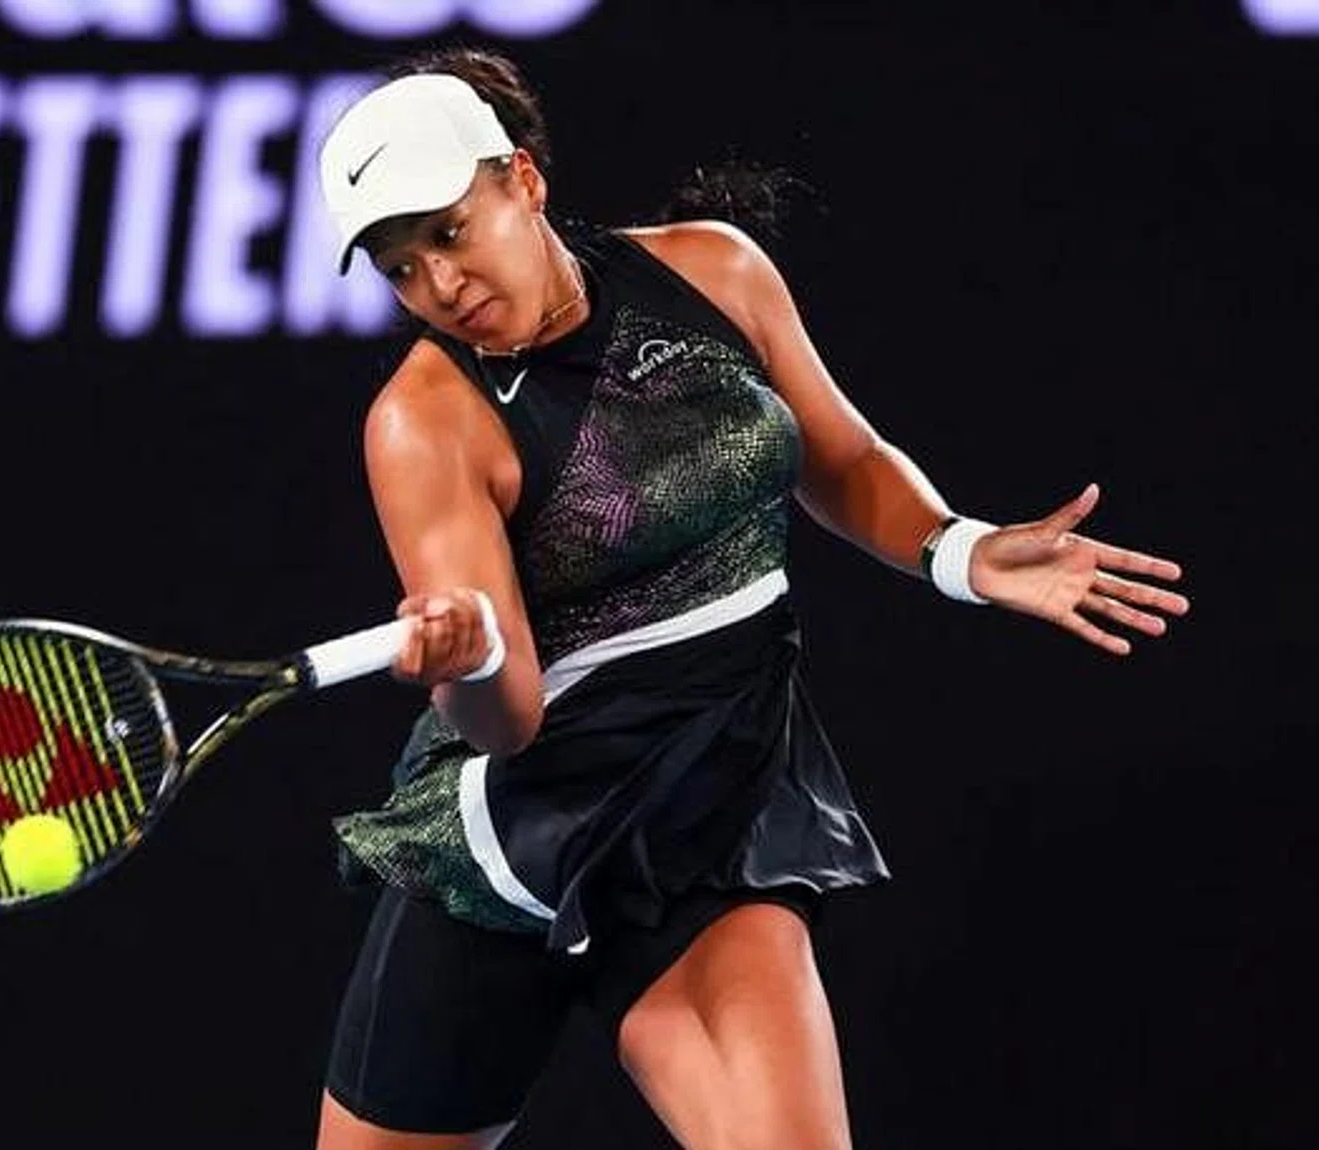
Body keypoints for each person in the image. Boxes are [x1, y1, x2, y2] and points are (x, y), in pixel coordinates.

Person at [311, 49, 1190, 1150]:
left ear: (522, 181)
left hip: (713, 802)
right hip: (512, 843)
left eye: (448, 232)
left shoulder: (714, 272)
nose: (440, 286)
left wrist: (958, 549)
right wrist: (469, 662)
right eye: (399, 268)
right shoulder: (426, 420)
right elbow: (513, 717)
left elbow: (845, 458)